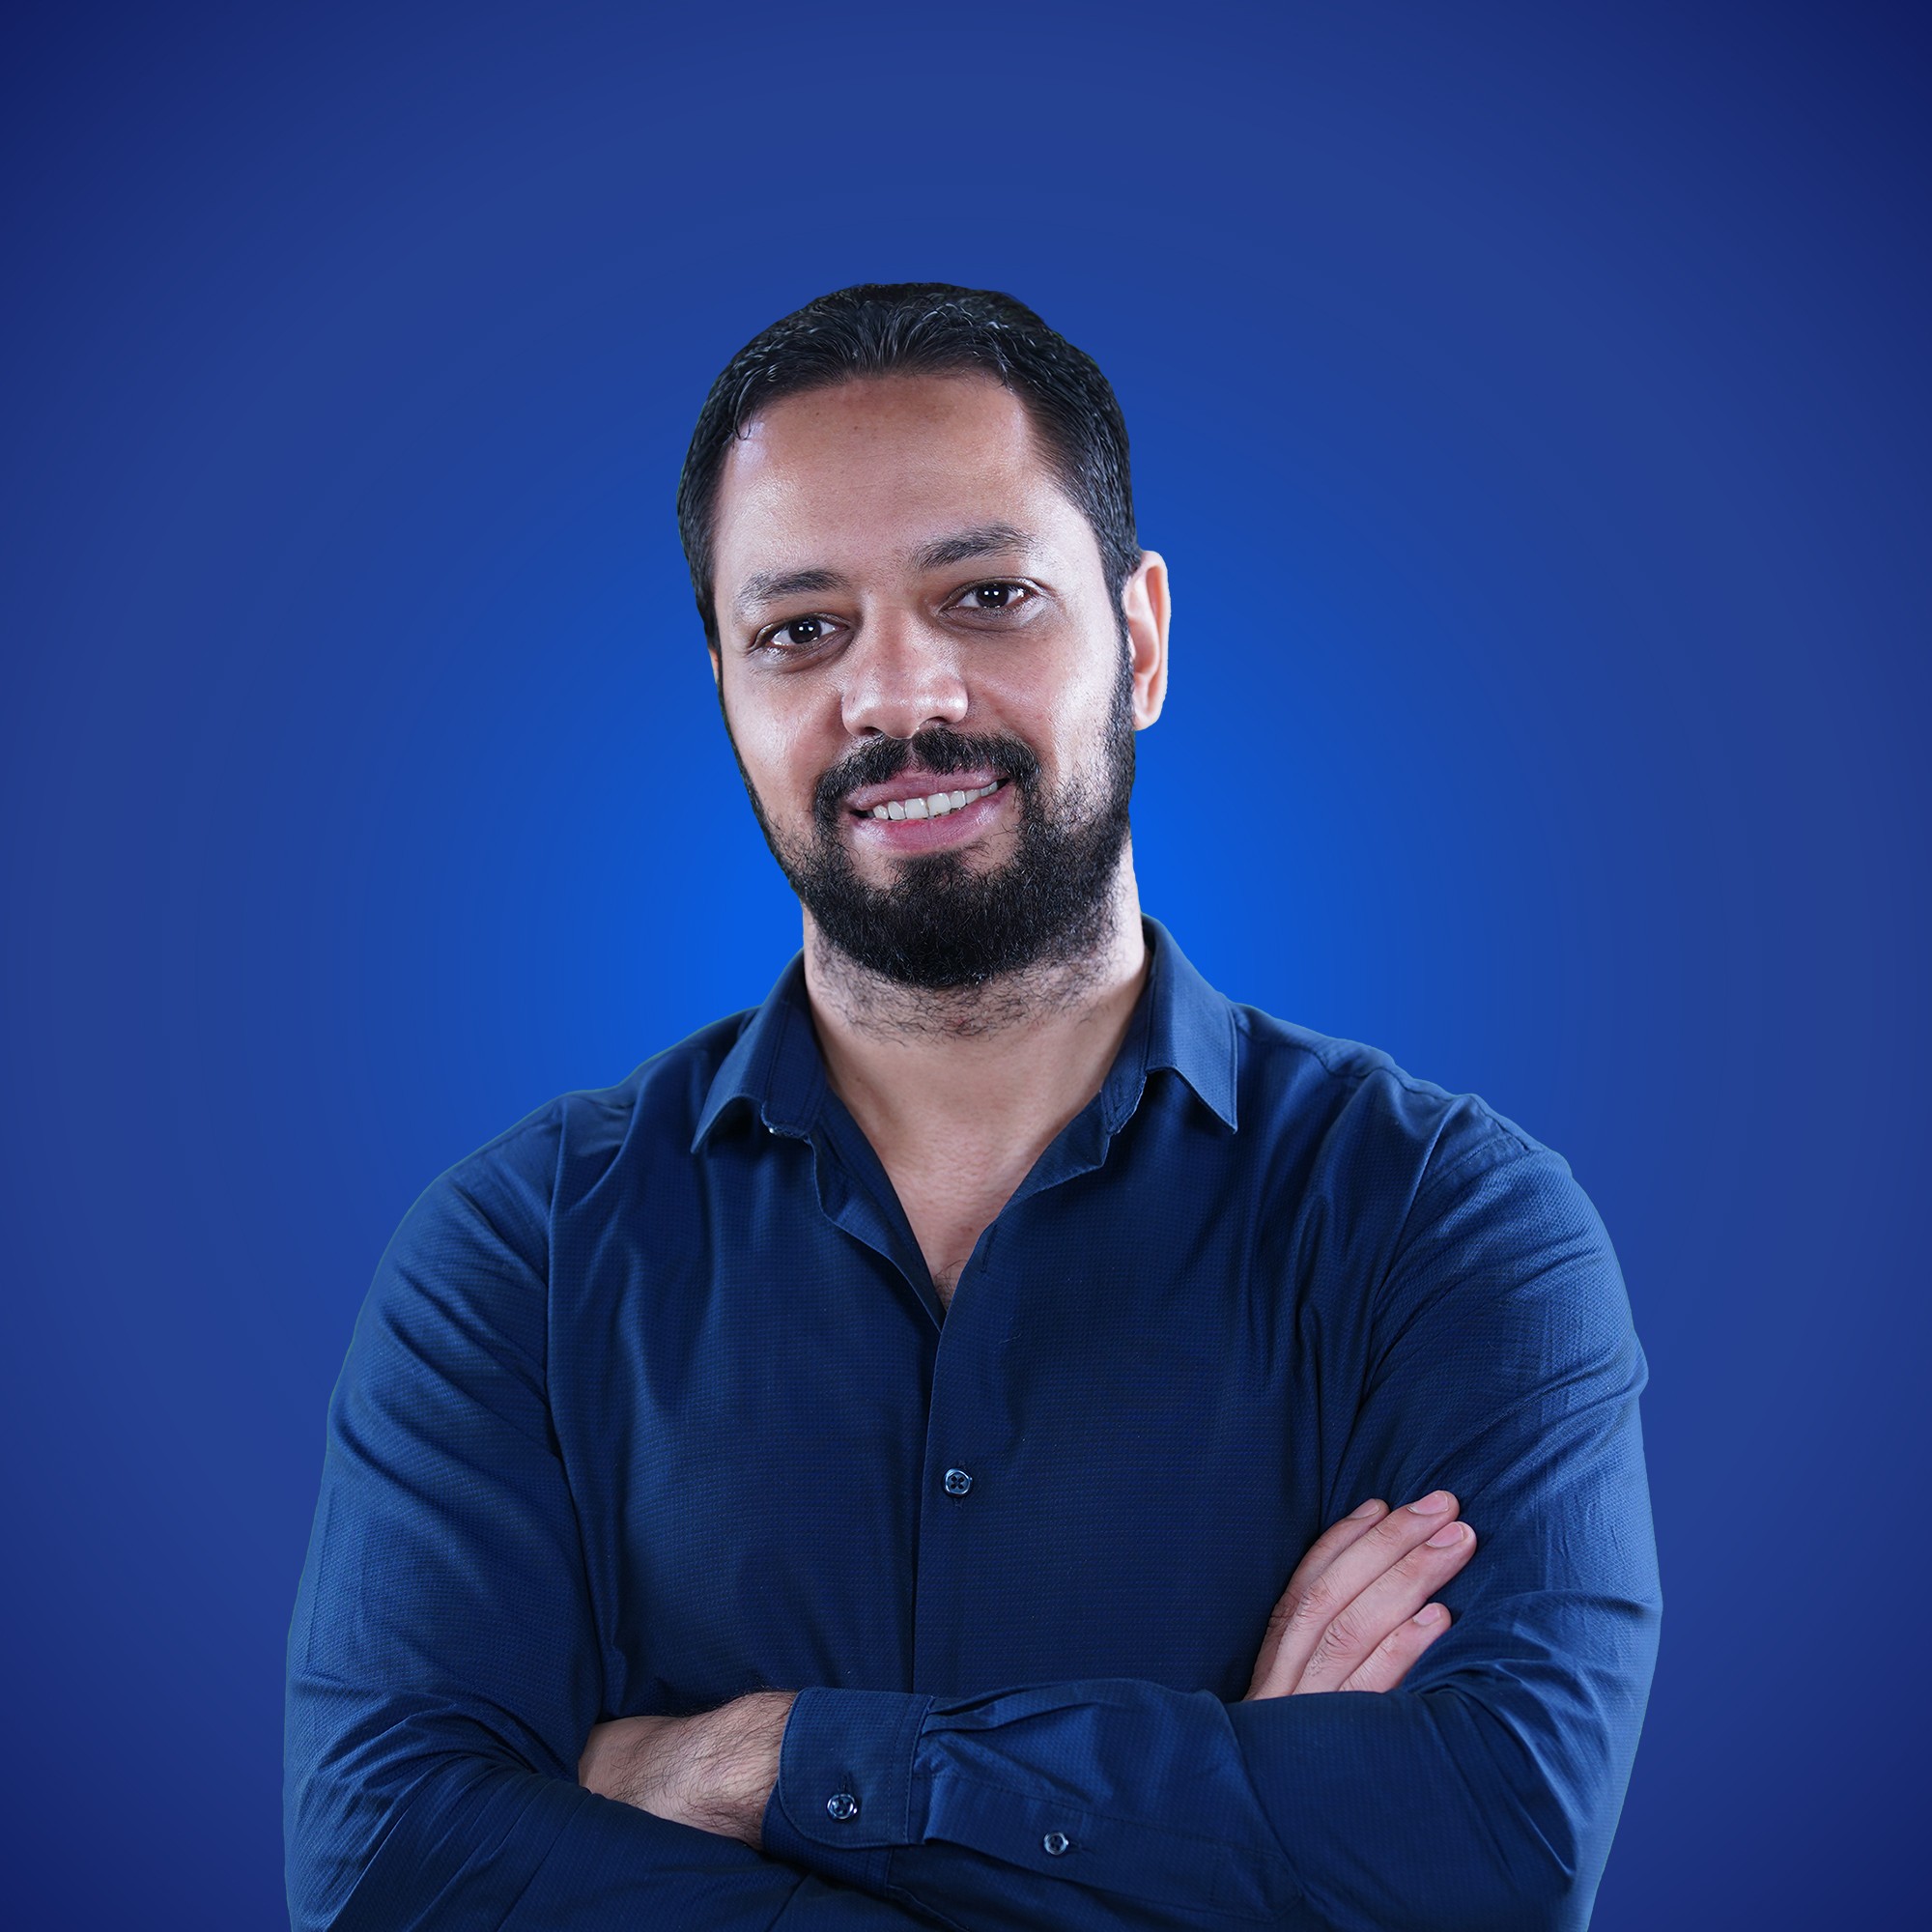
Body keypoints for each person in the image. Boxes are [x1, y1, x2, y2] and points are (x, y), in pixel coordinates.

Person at [284, 283, 1661, 1932]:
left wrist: (761, 1764)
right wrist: (1225, 1825)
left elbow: (1493, 1847)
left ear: (1140, 640)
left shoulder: (1448, 1227)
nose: (898, 697)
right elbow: (388, 1868)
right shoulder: (520, 1255)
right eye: (802, 630)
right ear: (725, 690)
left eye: (988, 596)